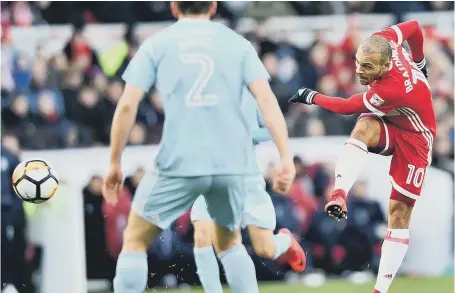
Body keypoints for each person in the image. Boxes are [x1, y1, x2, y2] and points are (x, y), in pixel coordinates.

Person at [102, 2, 296, 293]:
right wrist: (285, 157)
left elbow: (128, 103)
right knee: (229, 244)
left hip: (181, 159)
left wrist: (115, 161)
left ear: (173, 6)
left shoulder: (158, 43)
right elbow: (267, 101)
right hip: (231, 163)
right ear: (214, 6)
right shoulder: (237, 44)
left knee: (135, 239)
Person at [289, 20, 434, 293]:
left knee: (398, 214)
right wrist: (420, 61)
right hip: (396, 123)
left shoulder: (391, 90)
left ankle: (380, 289)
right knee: (364, 126)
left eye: (368, 67)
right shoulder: (383, 40)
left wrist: (312, 96)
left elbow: (345, 107)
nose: (359, 71)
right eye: (358, 62)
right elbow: (414, 27)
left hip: (416, 138)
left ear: (386, 65)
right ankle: (339, 193)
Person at [190, 89, 306, 293]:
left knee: (264, 248)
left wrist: (247, 135)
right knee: (202, 234)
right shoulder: (200, 83)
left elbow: (272, 127)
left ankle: (285, 241)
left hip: (246, 178)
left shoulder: (251, 87)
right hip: (210, 176)